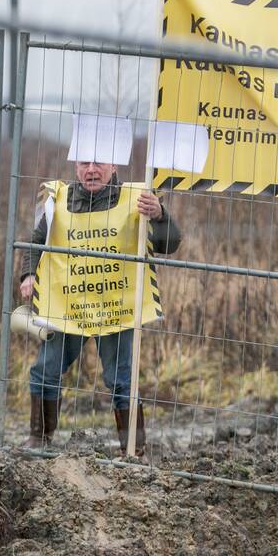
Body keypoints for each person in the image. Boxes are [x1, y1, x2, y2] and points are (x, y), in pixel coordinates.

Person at [19, 160, 183, 455]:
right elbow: (35, 240)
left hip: (116, 309)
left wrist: (159, 215)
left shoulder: (138, 199)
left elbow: (168, 244)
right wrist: (29, 273)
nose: (91, 170)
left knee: (122, 380)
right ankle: (38, 439)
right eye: (84, 164)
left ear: (114, 166)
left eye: (99, 164)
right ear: (75, 166)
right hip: (68, 305)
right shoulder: (59, 200)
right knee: (45, 370)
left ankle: (134, 448)